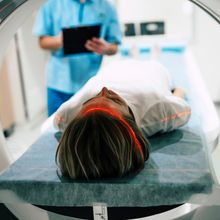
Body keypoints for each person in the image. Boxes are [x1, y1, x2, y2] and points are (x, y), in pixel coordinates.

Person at [54, 59, 191, 180]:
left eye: (91, 99)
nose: (104, 90)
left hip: (112, 67)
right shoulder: (157, 110)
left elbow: (58, 120)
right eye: (113, 98)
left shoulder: (67, 115)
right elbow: (181, 102)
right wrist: (178, 91)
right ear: (130, 118)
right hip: (152, 68)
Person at [33, 0, 122, 116]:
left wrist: (106, 48)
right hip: (59, 83)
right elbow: (42, 42)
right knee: (56, 130)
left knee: (91, 129)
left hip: (91, 84)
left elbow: (114, 46)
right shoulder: (52, 4)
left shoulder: (106, 6)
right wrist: (61, 40)